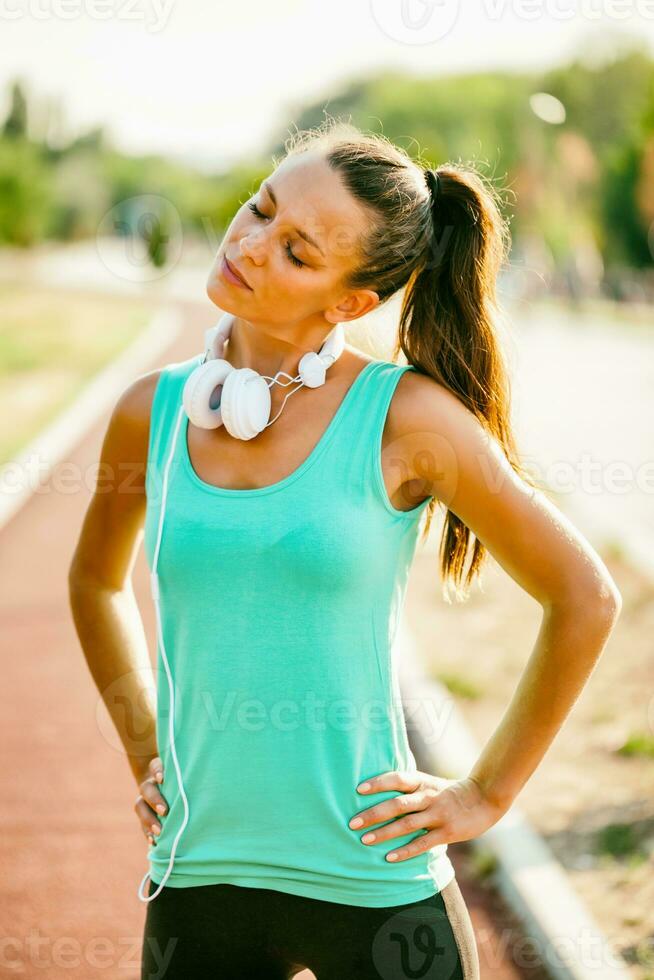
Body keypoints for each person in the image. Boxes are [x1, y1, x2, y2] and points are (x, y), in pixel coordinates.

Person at [69, 120, 622, 980]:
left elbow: (584, 596)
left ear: (349, 304)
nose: (248, 244)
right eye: (259, 209)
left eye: (295, 252)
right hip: (197, 873)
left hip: (373, 880)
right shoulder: (152, 412)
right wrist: (145, 746)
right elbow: (95, 581)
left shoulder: (408, 420)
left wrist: (486, 793)